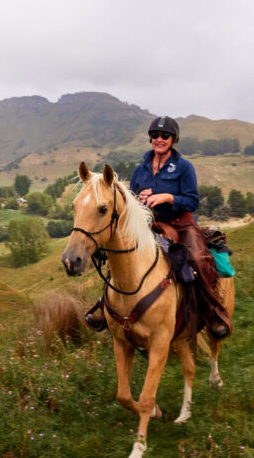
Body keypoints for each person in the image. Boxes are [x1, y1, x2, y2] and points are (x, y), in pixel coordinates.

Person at [86, 116, 232, 338]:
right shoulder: (140, 169)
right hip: (148, 225)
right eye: (155, 135)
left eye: (165, 136)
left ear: (173, 139)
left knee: (197, 258)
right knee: (119, 255)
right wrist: (139, 199)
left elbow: (192, 201)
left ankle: (212, 312)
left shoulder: (184, 167)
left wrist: (167, 197)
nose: (159, 139)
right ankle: (107, 306)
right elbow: (129, 202)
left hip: (180, 224)